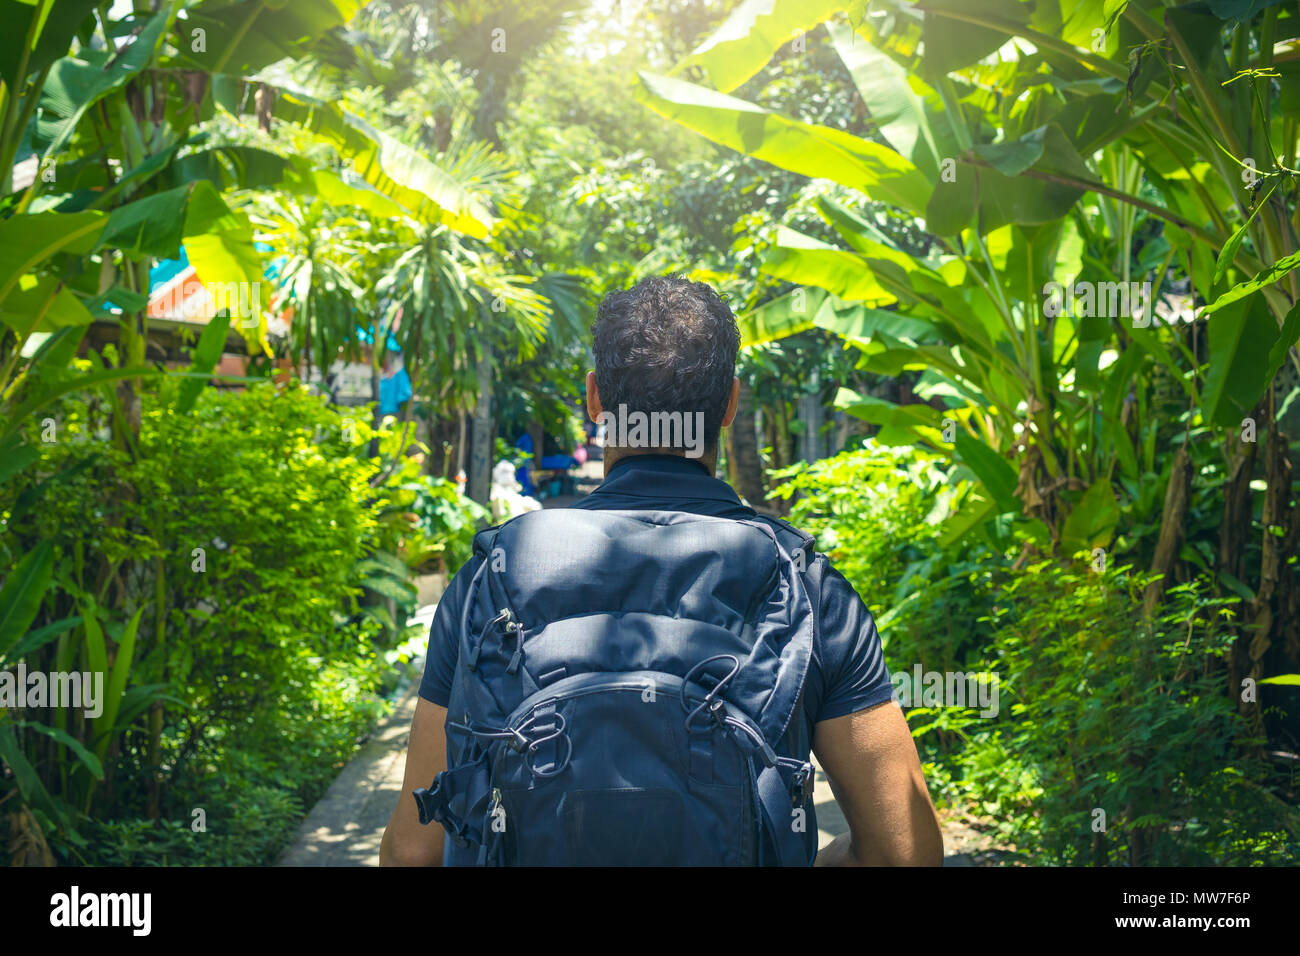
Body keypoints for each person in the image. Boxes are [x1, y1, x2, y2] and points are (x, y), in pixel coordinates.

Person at [381, 275, 944, 866]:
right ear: (729, 404)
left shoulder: (493, 575)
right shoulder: (803, 584)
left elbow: (415, 850)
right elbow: (905, 855)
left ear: (595, 400)